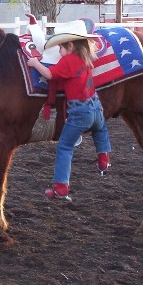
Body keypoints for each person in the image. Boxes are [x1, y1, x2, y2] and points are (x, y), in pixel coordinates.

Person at [27, 26, 111, 201]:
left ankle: (60, 187)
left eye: (61, 48)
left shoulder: (69, 61)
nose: (59, 51)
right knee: (100, 130)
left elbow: (49, 74)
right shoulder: (85, 58)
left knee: (65, 146)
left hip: (80, 111)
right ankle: (103, 158)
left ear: (70, 46)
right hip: (95, 106)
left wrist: (36, 64)